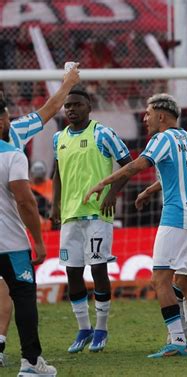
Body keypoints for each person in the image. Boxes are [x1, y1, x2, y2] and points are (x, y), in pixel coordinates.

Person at [85, 93, 187, 358]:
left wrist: (104, 182)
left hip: (176, 215)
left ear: (161, 115)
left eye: (147, 114)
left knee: (160, 279)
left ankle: (178, 341)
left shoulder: (163, 138)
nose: (144, 119)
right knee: (185, 279)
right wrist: (151, 190)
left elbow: (137, 165)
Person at [0, 65, 80, 364]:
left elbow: (49, 108)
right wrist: (69, 82)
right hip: (9, 228)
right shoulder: (16, 134)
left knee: (6, 288)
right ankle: (31, 360)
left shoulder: (15, 130)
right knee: (17, 289)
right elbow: (50, 108)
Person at [52, 89, 132, 353]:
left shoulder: (102, 133)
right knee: (72, 271)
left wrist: (112, 193)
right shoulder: (59, 138)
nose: (71, 109)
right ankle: (83, 328)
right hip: (69, 216)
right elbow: (57, 175)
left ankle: (101, 328)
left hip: (97, 214)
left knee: (98, 269)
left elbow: (127, 164)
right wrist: (55, 204)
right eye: (67, 106)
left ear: (89, 106)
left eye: (76, 104)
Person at [0, 96, 56, 376]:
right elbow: (26, 202)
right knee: (23, 297)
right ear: (1, 121)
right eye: (8, 117)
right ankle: (31, 363)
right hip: (9, 243)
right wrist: (39, 241)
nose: (10, 122)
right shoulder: (12, 154)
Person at [30, 160, 54, 231]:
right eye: (37, 179)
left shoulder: (52, 185)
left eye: (40, 179)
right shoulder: (28, 188)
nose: (38, 181)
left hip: (51, 224)